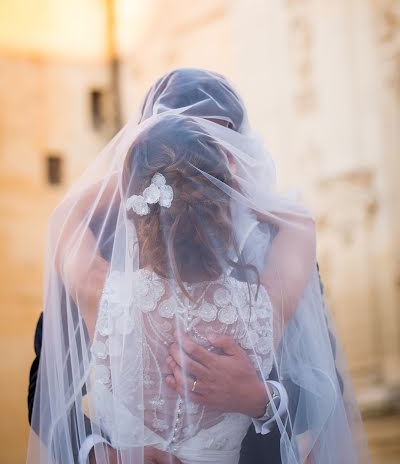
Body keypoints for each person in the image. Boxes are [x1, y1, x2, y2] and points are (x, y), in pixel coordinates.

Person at [27, 69, 369, 464]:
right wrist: (100, 454)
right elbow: (45, 386)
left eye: (220, 140)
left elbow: (324, 382)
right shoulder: (265, 293)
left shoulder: (96, 281)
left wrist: (263, 400)